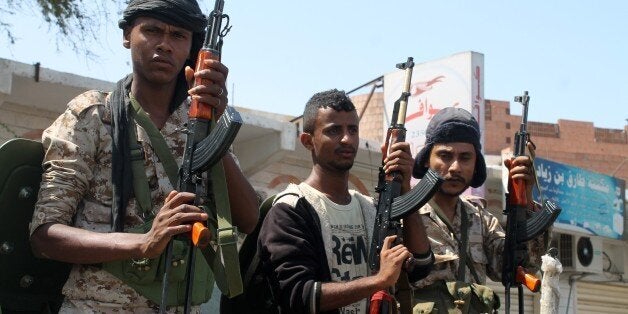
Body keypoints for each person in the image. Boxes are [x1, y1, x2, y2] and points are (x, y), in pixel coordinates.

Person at [28, 0, 258, 312]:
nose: (164, 45)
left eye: (178, 36)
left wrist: (215, 124)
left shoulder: (199, 123)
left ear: (192, 48)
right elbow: (45, 235)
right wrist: (144, 242)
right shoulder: (94, 116)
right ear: (127, 35)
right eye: (152, 30)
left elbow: (247, 219)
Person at [258, 89, 434, 314]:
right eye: (334, 131)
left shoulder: (370, 208)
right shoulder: (292, 209)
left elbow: (420, 266)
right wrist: (378, 281)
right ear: (307, 140)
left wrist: (405, 186)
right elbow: (298, 295)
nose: (347, 139)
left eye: (353, 130)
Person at [410, 107, 545, 310]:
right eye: (445, 156)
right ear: (427, 160)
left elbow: (518, 268)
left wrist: (525, 198)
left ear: (475, 165)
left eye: (465, 158)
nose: (455, 167)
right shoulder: (406, 216)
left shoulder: (481, 220)